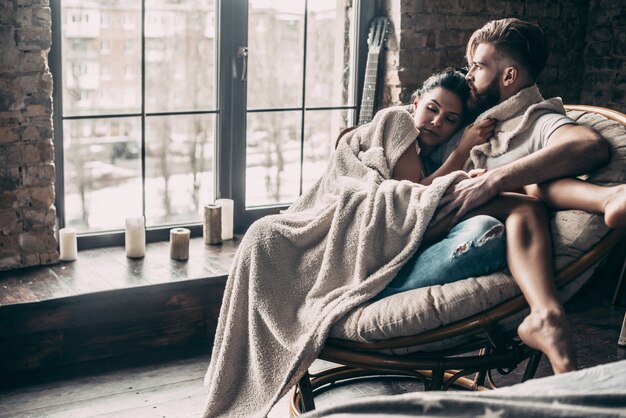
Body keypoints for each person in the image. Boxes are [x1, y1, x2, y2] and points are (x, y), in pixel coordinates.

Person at [423, 18, 626, 374]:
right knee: (529, 184)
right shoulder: (466, 117)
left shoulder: (534, 120)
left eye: (479, 66)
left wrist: (494, 180)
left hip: (478, 238)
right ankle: (606, 199)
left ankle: (549, 321)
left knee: (527, 184)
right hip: (425, 224)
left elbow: (587, 145)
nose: (468, 74)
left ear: (509, 77)